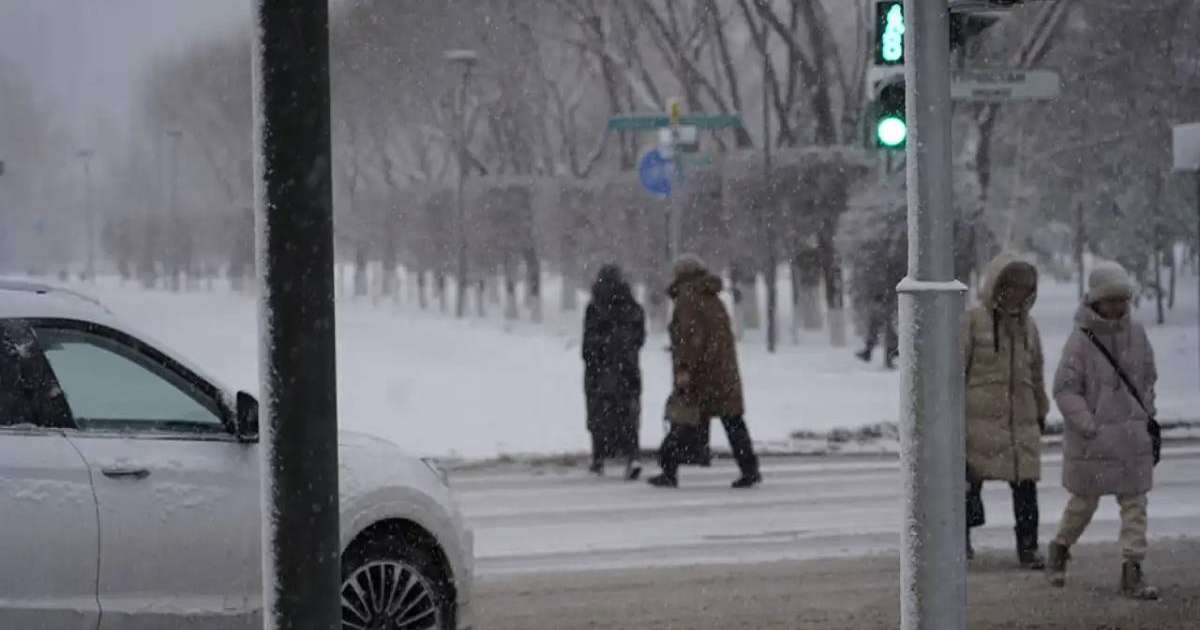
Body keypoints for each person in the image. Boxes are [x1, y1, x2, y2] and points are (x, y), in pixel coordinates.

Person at [1046, 264, 1159, 600]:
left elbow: (1148, 377)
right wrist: (1088, 424)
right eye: (1110, 299)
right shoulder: (1080, 340)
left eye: (1122, 299)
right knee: (1083, 505)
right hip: (1093, 441)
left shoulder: (1137, 334)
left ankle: (1132, 569)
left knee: (1135, 506)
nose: (1117, 306)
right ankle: (1060, 547)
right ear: (1095, 300)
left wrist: (1145, 411)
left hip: (1131, 438)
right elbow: (1065, 389)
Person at [961, 253, 1048, 569]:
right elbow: (957, 370)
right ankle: (959, 544)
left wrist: (1040, 409)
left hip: (1019, 422)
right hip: (977, 422)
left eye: (1023, 288)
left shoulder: (1029, 327)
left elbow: (1036, 371)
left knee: (1026, 487)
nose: (1015, 293)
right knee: (967, 486)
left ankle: (1028, 548)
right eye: (1010, 286)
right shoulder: (972, 321)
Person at [649, 255, 761, 489]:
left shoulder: (687, 299)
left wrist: (684, 369)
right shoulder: (711, 297)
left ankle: (668, 469)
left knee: (683, 419)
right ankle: (749, 469)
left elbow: (690, 339)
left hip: (702, 373)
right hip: (722, 371)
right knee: (732, 421)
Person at [582, 264, 646, 480]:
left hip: (599, 372)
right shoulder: (633, 307)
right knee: (629, 415)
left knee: (598, 416)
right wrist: (625, 350)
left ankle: (598, 459)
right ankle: (632, 457)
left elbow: (588, 345)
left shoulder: (594, 308)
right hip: (627, 370)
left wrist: (599, 354)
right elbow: (639, 339)